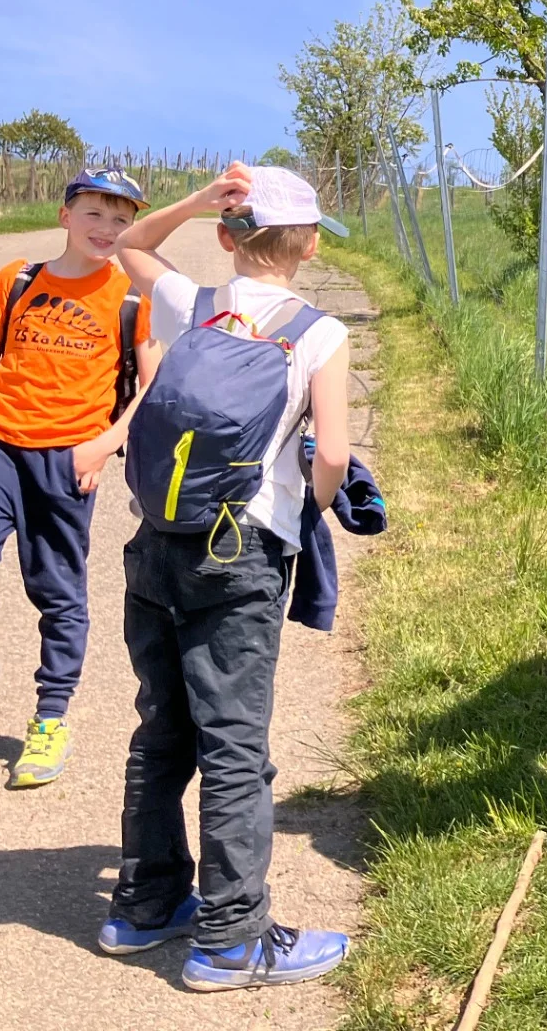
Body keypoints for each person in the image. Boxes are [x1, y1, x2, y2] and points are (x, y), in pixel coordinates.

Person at [96, 163, 356, 991]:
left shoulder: (192, 303)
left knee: (162, 728)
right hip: (240, 552)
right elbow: (335, 453)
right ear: (309, 245)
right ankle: (233, 939)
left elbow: (130, 245)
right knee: (235, 744)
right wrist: (311, 508)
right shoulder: (320, 334)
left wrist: (195, 199)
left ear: (225, 236)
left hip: (158, 544)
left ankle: (145, 904)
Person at [0, 168, 156, 788]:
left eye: (121, 219)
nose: (107, 228)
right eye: (94, 213)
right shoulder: (17, 279)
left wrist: (103, 446)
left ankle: (51, 715)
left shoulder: (132, 298)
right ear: (65, 215)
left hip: (67, 458)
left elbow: (152, 386)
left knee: (57, 589)